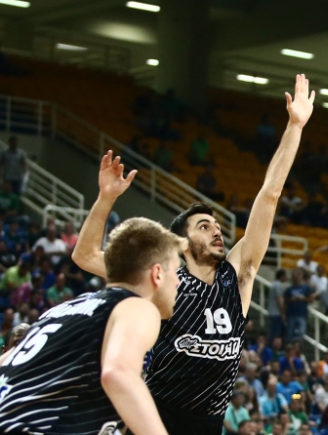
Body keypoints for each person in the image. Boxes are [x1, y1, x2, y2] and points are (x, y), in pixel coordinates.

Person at [71, 75, 315, 435]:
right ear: (181, 242)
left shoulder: (239, 276)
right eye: (204, 226)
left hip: (208, 424)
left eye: (216, 225)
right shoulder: (162, 280)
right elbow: (85, 254)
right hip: (155, 416)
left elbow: (270, 193)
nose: (216, 230)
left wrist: (295, 126)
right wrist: (106, 199)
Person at [0, 217, 182, 434]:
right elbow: (117, 374)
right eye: (175, 270)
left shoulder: (59, 312)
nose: (178, 281)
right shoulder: (135, 306)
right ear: (157, 274)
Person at [284, 269, 314, 342]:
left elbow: (310, 300)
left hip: (302, 314)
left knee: (301, 333)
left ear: (301, 277)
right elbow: (285, 301)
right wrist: (293, 299)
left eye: (298, 276)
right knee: (290, 334)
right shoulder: (289, 289)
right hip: (291, 314)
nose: (296, 278)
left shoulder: (306, 288)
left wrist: (304, 299)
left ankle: (297, 349)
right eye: (295, 276)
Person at [268, 269, 287, 340]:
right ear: (282, 276)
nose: (286, 278)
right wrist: (283, 314)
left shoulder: (273, 284)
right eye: (285, 276)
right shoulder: (278, 285)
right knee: (276, 334)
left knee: (274, 332)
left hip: (272, 312)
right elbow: (279, 300)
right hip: (277, 313)